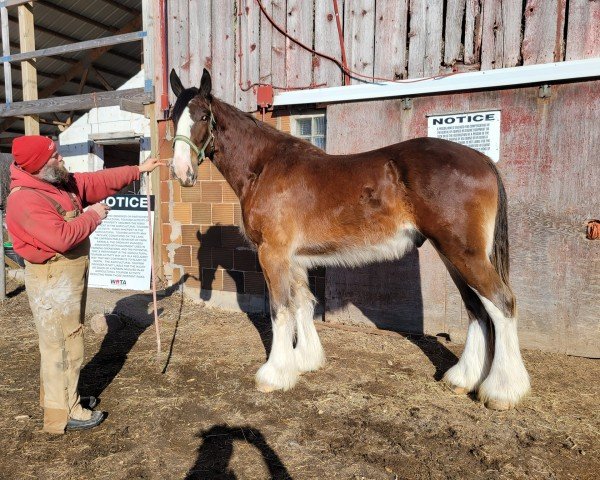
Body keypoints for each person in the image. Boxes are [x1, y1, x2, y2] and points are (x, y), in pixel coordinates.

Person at [5, 135, 164, 434]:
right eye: (54, 157)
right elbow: (62, 237)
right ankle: (66, 412)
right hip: (52, 281)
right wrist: (92, 216)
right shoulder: (25, 199)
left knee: (61, 342)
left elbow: (95, 181)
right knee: (65, 345)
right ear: (38, 165)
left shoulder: (56, 182)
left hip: (65, 278)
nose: (60, 159)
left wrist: (138, 170)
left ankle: (59, 399)